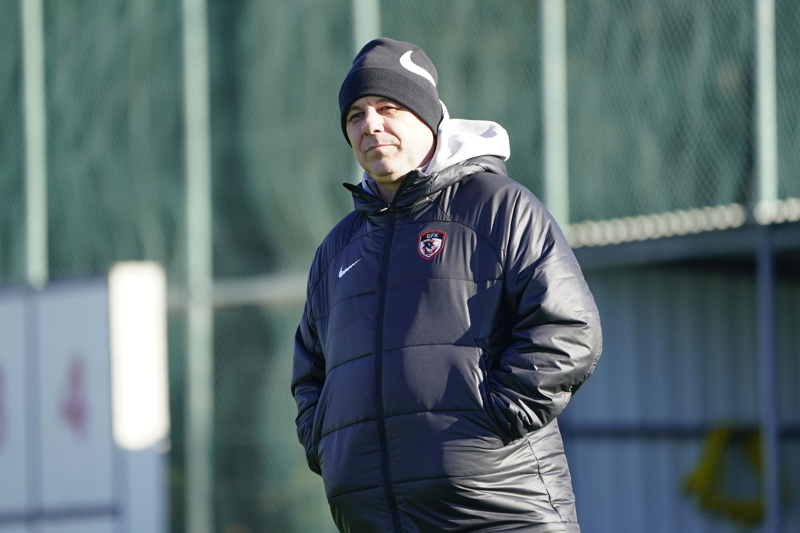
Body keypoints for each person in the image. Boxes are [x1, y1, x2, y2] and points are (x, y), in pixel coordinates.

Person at [291, 37, 602, 533]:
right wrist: (328, 445)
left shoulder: (499, 207)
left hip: (499, 514)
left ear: (428, 117)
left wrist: (489, 423)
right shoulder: (337, 250)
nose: (371, 124)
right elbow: (310, 373)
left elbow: (569, 329)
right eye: (355, 115)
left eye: (388, 108)